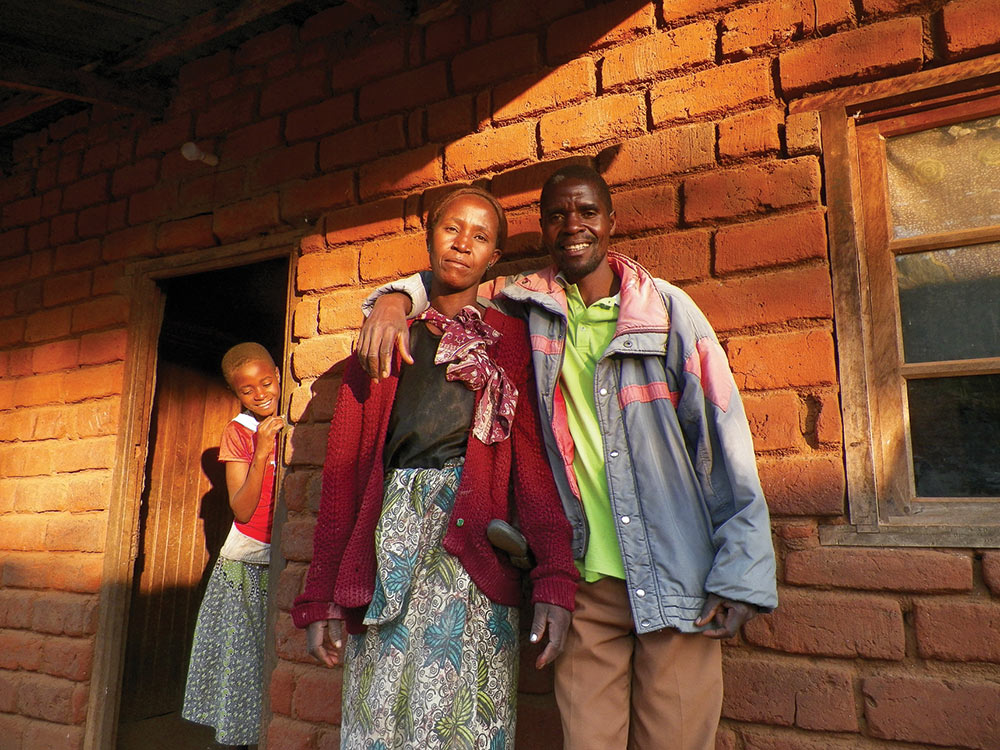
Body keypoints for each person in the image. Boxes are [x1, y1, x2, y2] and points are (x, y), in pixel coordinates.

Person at [358, 165, 778, 750]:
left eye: (586, 212)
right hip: (584, 586)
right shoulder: (525, 308)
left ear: (611, 222)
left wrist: (742, 572)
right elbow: (456, 280)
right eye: (557, 216)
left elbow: (724, 439)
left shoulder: (664, 310)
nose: (572, 226)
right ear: (543, 229)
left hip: (679, 576)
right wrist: (395, 298)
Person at [291, 187, 578, 750]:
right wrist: (321, 593)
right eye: (451, 229)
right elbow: (343, 478)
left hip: (470, 556)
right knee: (381, 721)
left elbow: (535, 473)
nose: (463, 244)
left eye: (480, 236)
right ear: (428, 237)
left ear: (494, 258)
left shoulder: (507, 344)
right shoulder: (381, 343)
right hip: (387, 551)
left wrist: (555, 580)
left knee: (462, 726)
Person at [182, 342, 285, 748]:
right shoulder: (239, 432)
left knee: (272, 664)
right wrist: (260, 452)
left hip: (282, 560)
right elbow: (242, 509)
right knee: (243, 666)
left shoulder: (290, 420)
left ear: (279, 374)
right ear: (236, 393)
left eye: (266, 382)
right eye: (247, 390)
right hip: (246, 564)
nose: (260, 394)